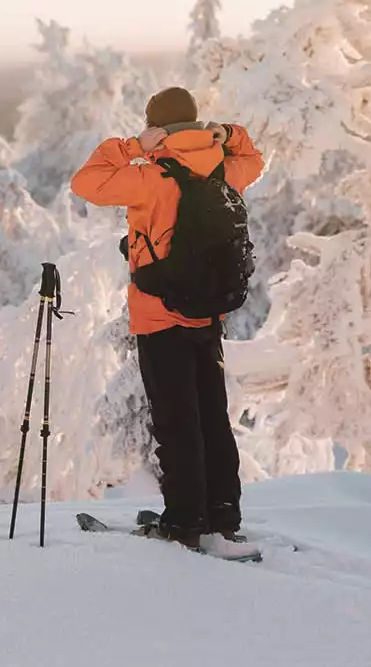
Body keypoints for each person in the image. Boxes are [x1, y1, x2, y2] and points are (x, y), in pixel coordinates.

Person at [69, 86, 264, 555]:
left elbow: (86, 182)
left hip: (159, 315)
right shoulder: (224, 169)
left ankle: (184, 522)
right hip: (208, 313)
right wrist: (227, 134)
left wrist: (136, 145)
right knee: (212, 418)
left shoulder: (148, 177)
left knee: (176, 422)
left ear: (158, 126)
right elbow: (254, 158)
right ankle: (222, 516)